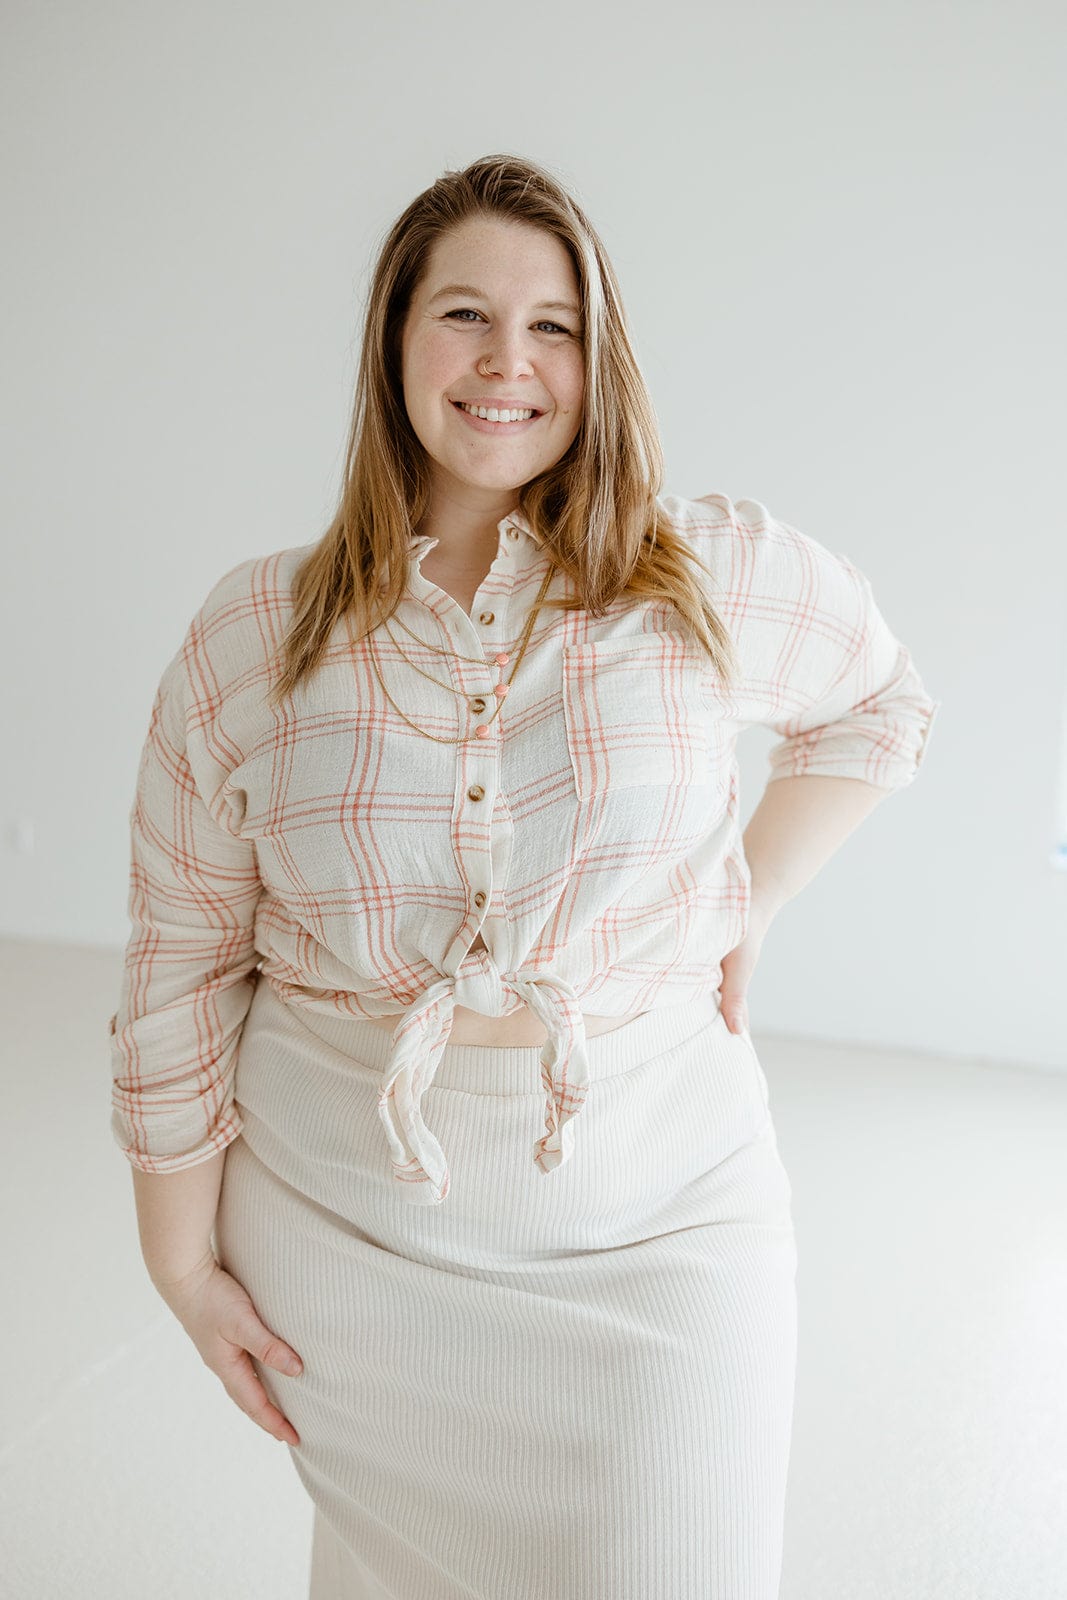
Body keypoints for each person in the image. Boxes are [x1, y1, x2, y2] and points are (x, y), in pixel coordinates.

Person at [108, 152, 939, 1599]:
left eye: (554, 325)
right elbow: (180, 961)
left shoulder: (709, 576)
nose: (508, 363)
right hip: (352, 1234)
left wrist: (751, 899)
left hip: (663, 1213)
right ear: (394, 344)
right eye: (464, 315)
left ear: (598, 358)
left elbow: (880, 703)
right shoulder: (254, 634)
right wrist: (184, 1273)